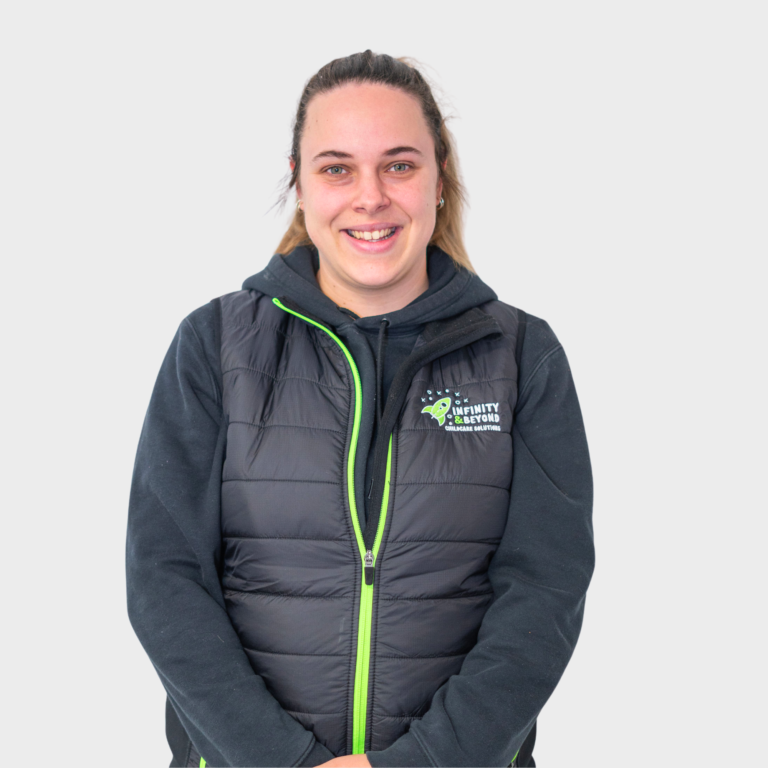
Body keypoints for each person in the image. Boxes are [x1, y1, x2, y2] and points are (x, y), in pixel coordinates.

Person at [126, 50, 594, 768]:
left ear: (440, 180)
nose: (369, 196)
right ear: (301, 185)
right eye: (337, 167)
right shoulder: (215, 346)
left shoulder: (522, 355)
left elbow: (544, 592)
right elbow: (165, 580)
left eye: (399, 165)